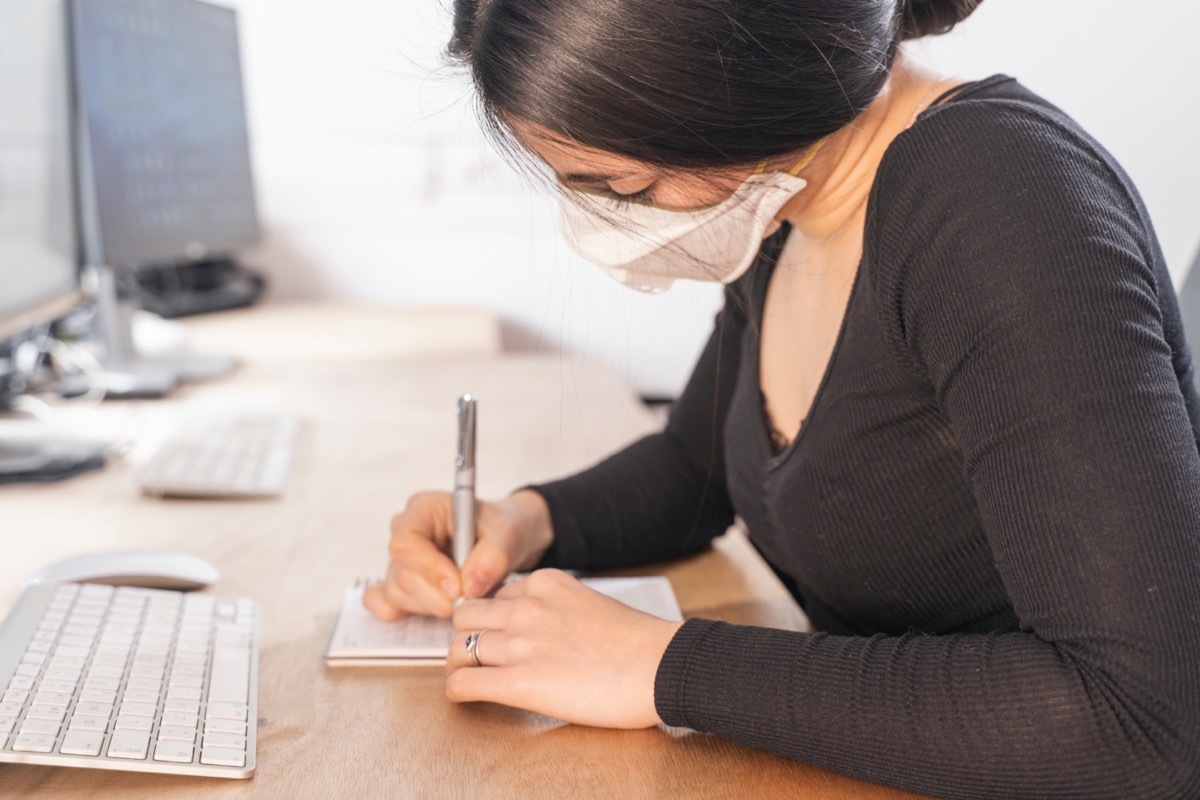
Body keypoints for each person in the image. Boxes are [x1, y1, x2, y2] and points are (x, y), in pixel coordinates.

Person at [363, 0, 1200, 796]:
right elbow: (699, 463)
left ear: (740, 105)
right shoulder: (791, 204)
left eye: (626, 189)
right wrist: (526, 522)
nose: (611, 224)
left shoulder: (1000, 202)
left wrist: (660, 667)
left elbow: (1143, 726)